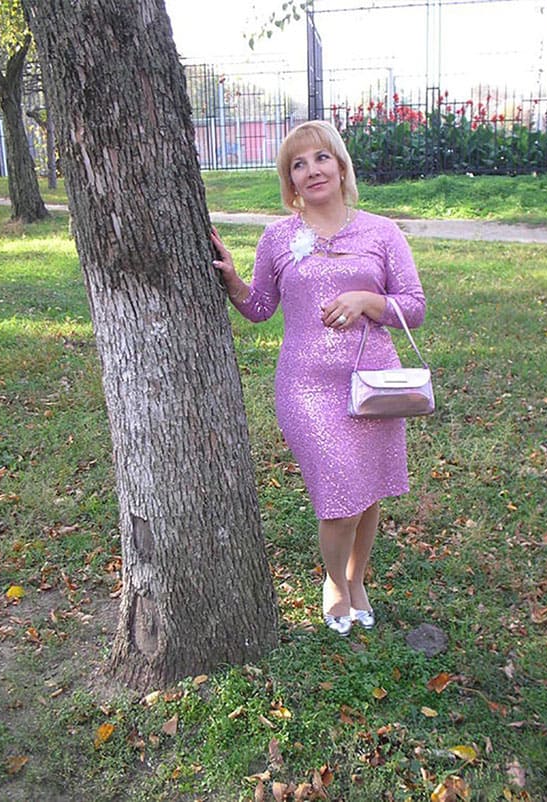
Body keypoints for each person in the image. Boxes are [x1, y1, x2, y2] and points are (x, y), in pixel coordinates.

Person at [211, 120, 426, 637]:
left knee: (368, 492)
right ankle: (334, 582)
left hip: (374, 385)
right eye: (298, 164)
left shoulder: (381, 232)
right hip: (307, 389)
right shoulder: (278, 237)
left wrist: (368, 301)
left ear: (341, 165)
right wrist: (234, 280)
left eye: (321, 158)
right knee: (340, 498)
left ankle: (356, 580)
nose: (312, 170)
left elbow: (414, 308)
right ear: (290, 181)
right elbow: (261, 308)